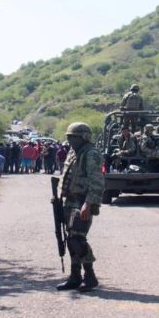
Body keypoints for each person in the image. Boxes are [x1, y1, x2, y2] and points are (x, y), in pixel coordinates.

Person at [56, 122, 104, 292]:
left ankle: (90, 276)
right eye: (69, 138)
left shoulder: (91, 154)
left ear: (84, 137)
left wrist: (89, 204)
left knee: (77, 238)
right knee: (70, 239)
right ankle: (75, 276)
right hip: (69, 201)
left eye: (73, 138)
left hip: (83, 201)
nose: (70, 141)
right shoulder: (73, 152)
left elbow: (97, 181)